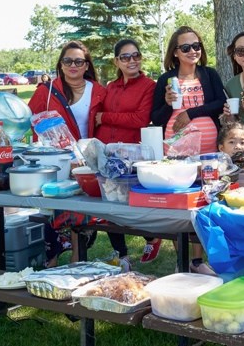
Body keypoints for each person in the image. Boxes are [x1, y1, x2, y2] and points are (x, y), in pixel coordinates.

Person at [151, 26, 226, 274]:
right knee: (178, 199)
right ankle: (180, 256)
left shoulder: (209, 74)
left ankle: (196, 260)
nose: (193, 51)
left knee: (202, 199)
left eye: (196, 46)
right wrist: (166, 101)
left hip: (207, 147)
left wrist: (189, 112)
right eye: (186, 47)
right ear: (175, 52)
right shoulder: (166, 80)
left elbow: (218, 104)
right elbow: (156, 117)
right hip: (175, 146)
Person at [28, 40, 107, 268]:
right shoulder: (47, 90)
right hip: (56, 160)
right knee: (51, 209)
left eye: (78, 61)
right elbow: (30, 121)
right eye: (68, 60)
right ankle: (50, 264)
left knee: (80, 210)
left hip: (85, 161)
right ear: (61, 65)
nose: (73, 65)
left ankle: (77, 261)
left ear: (86, 65)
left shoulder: (99, 91)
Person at [94, 38, 156, 266]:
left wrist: (106, 117)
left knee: (132, 205)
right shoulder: (111, 87)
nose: (132, 61)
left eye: (136, 56)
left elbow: (141, 118)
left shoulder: (149, 85)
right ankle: (122, 255)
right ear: (116, 61)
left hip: (131, 155)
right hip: (107, 153)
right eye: (126, 57)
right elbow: (96, 114)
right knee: (109, 206)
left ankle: (151, 236)